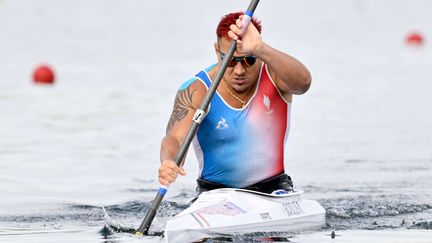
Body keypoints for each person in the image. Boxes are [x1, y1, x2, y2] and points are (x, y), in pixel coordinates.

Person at [158, 12, 311, 195]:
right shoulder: (197, 90)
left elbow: (303, 84)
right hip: (214, 194)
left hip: (273, 189)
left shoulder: (276, 75)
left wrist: (261, 48)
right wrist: (169, 161)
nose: (239, 71)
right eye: (230, 61)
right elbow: (175, 138)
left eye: (249, 59)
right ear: (217, 52)